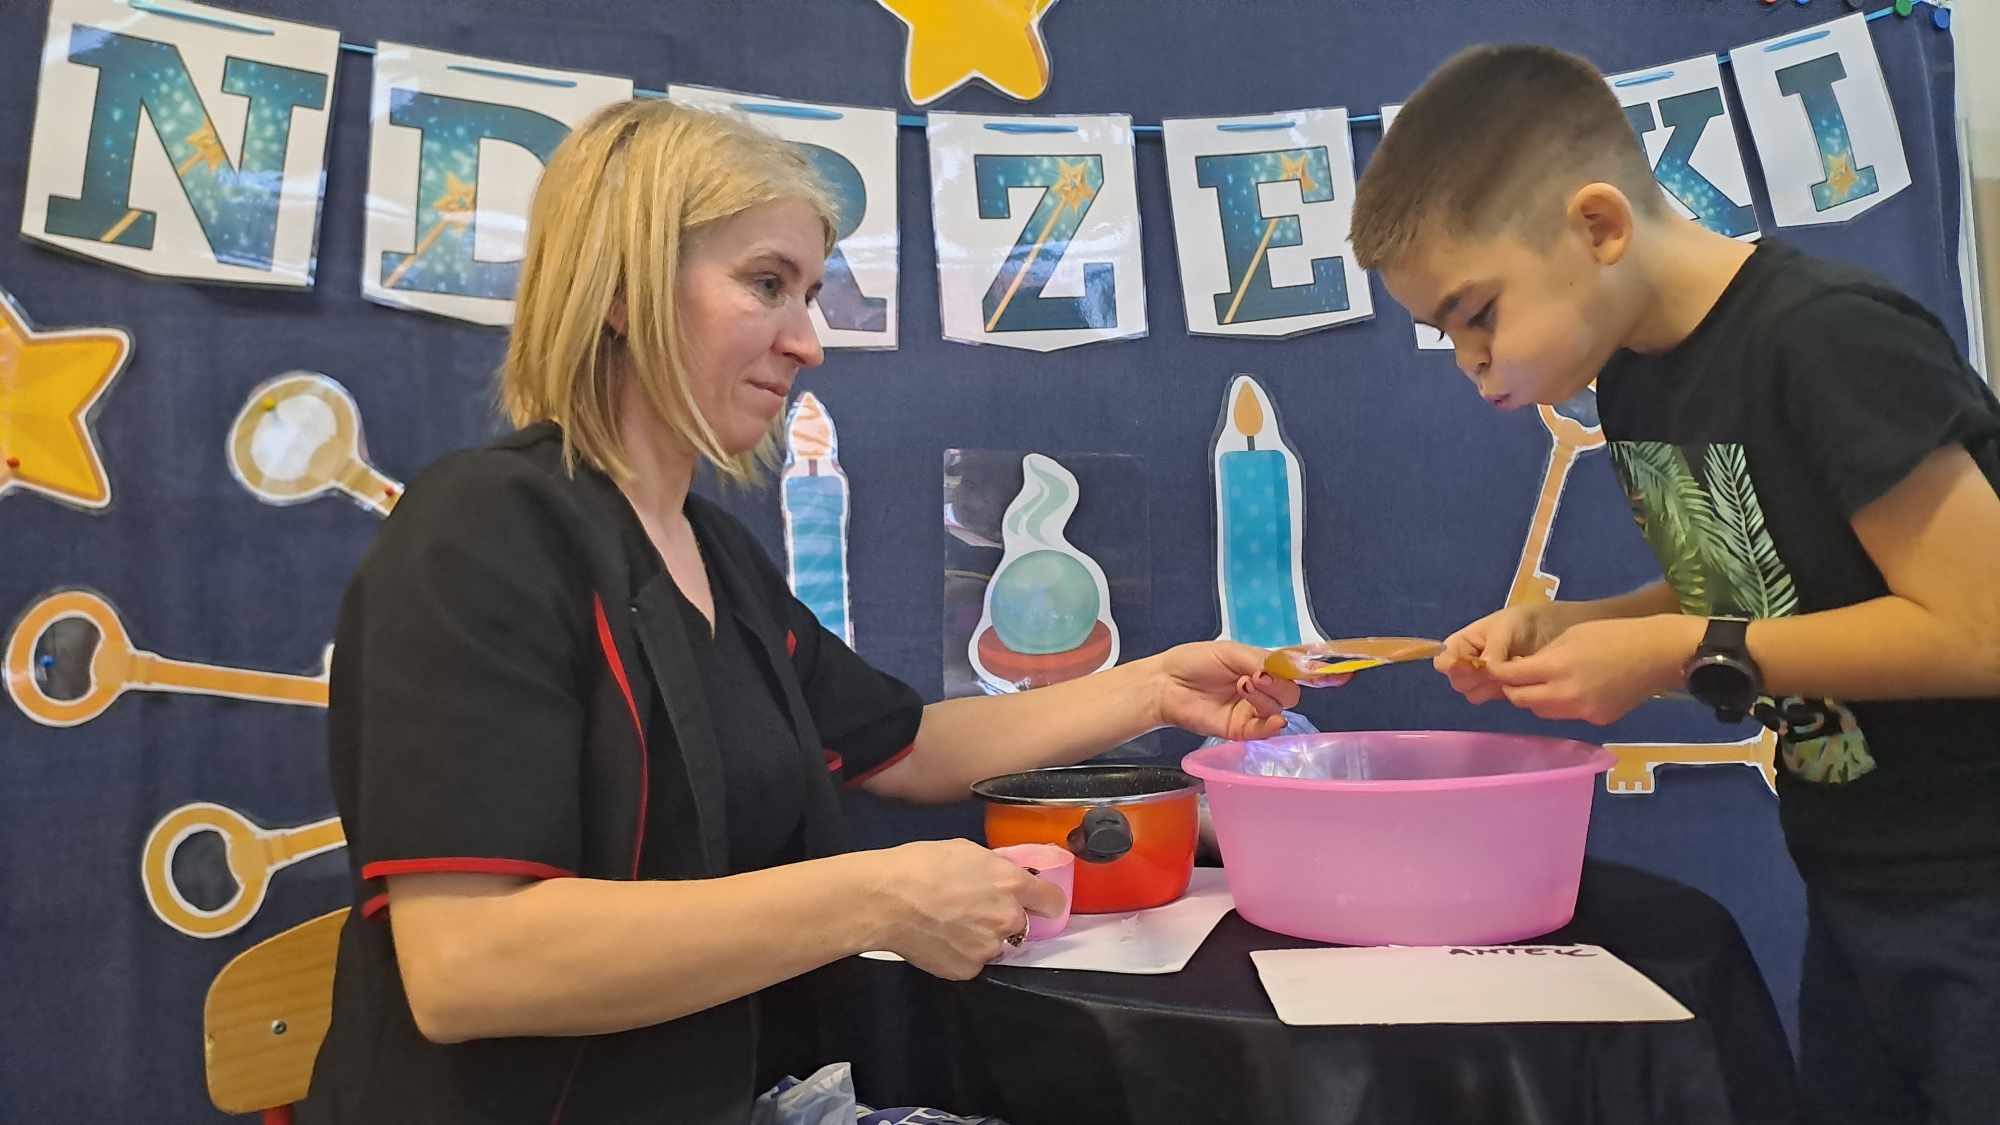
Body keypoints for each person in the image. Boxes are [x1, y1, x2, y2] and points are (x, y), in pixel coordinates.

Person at [298, 99, 1306, 1123]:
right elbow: (467, 964)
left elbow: (906, 747)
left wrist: (1154, 688)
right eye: (766, 283)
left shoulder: (719, 559)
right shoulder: (481, 530)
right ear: (622, 286)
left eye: (810, 294)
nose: (807, 341)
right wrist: (877, 899)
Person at [1349, 43, 2000, 1125]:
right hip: (1857, 876)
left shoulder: (1828, 337)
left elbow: (1980, 628)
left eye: (1477, 313)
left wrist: (1678, 654)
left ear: (1598, 226)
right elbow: (1763, 574)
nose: (1470, 359)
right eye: (1445, 333)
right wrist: (1582, 626)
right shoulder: (1634, 379)